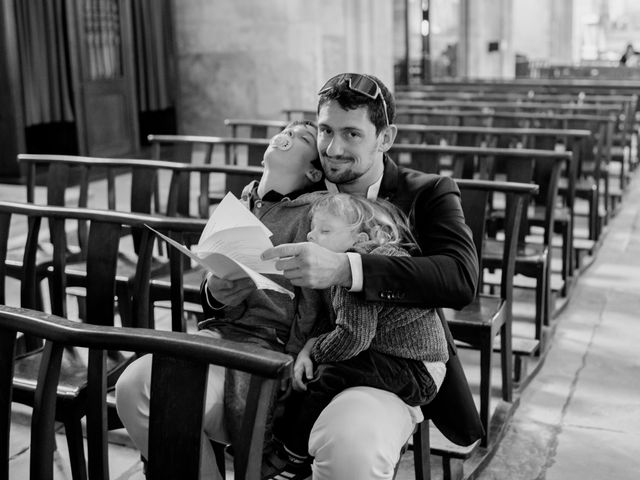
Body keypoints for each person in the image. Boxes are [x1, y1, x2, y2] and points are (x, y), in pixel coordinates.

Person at [259, 73, 482, 479]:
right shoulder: (294, 187)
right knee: (150, 385)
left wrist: (348, 268)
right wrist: (215, 291)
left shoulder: (428, 192)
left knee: (351, 442)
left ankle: (289, 454)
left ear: (385, 137)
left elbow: (459, 278)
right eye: (325, 130)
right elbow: (239, 269)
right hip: (281, 348)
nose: (332, 148)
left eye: (352, 134)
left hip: (390, 360)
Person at [115, 119, 329, 480]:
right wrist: (214, 292)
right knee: (133, 385)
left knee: (160, 397)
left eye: (301, 137)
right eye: (287, 131)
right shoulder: (242, 200)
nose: (287, 136)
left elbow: (319, 303)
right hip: (222, 333)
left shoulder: (318, 213)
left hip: (272, 347)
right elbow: (210, 291)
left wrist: (297, 354)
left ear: (312, 171)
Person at [270, 193, 449, 473]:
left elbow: (353, 338)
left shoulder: (358, 266)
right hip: (395, 358)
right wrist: (310, 346)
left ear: (361, 237)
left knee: (327, 375)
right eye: (313, 228)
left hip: (416, 368)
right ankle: (285, 442)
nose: (311, 235)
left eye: (325, 230)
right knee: (325, 371)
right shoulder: (340, 266)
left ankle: (292, 454)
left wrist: (316, 353)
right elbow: (335, 320)